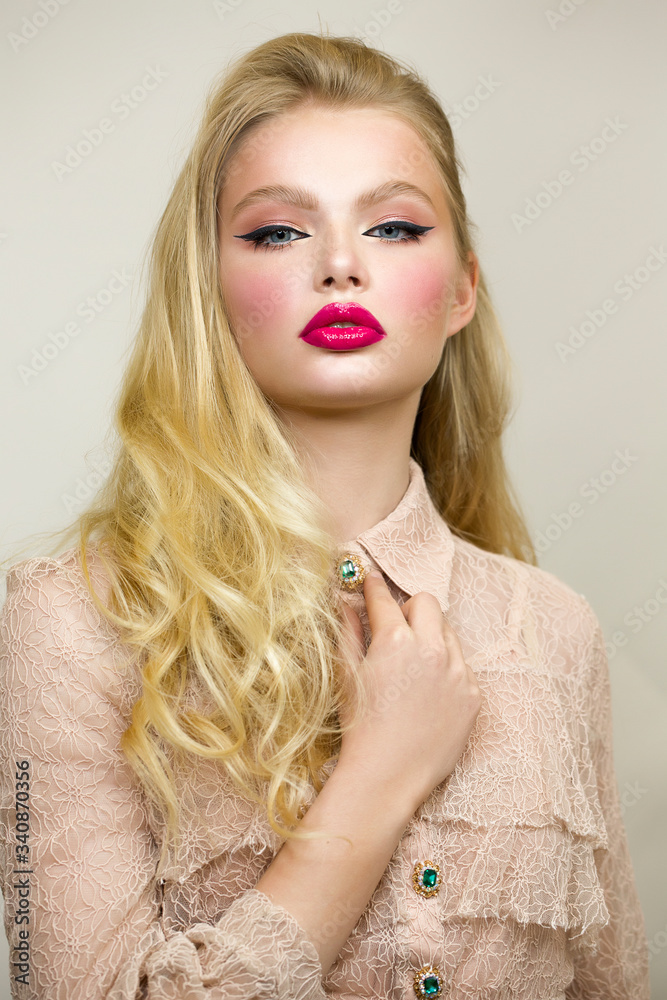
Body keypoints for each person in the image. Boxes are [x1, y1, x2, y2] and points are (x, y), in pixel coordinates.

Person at [0, 30, 649, 1000]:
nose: (340, 264)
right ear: (209, 283)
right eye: (278, 231)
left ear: (463, 286)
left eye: (393, 227)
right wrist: (377, 777)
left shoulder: (557, 632)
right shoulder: (68, 624)